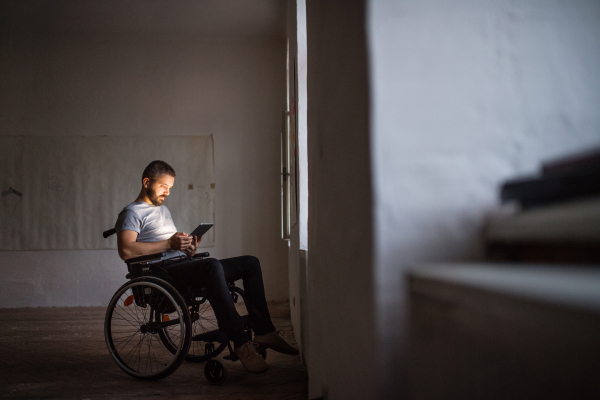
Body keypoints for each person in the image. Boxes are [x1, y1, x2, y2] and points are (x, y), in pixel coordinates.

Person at [115, 160, 298, 373]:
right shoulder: (131, 213)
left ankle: (264, 330)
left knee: (250, 263)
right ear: (146, 182)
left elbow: (171, 247)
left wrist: (188, 248)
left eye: (170, 188)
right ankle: (240, 342)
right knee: (211, 266)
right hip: (163, 274)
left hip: (183, 265)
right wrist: (169, 243)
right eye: (164, 186)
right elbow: (126, 251)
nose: (168, 192)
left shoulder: (163, 211)